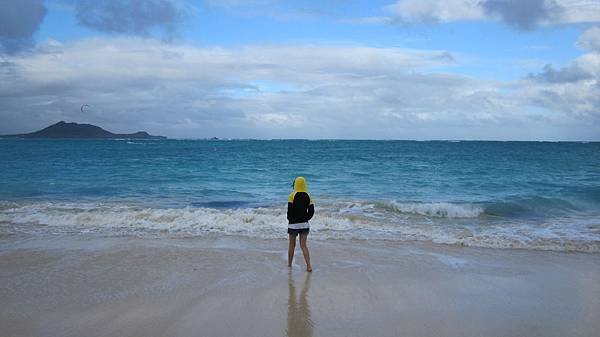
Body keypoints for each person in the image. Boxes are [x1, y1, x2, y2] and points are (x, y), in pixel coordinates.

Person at [287, 176, 314, 272]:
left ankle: (289, 265)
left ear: (295, 184)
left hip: (293, 224)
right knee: (303, 245)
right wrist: (306, 219)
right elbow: (311, 211)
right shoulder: (308, 196)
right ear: (304, 184)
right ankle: (309, 266)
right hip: (304, 224)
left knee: (291, 245)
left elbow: (289, 212)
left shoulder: (292, 195)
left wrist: (290, 220)